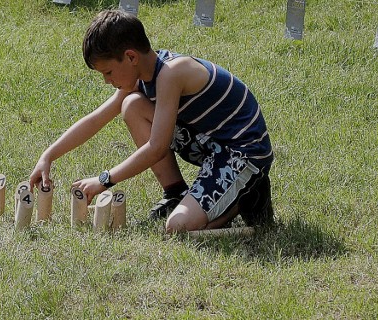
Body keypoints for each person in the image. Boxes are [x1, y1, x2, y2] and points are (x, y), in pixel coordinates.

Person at [29, 9, 274, 233]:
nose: (106, 80)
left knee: (178, 227)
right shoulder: (144, 74)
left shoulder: (171, 73)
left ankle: (246, 198)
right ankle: (175, 193)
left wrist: (104, 180)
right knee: (131, 105)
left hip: (243, 153)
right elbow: (96, 119)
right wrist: (48, 155)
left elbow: (157, 147)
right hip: (211, 143)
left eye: (108, 72)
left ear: (130, 57)